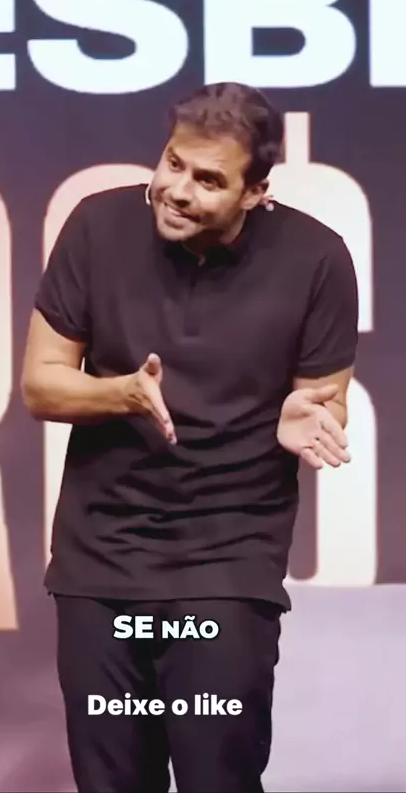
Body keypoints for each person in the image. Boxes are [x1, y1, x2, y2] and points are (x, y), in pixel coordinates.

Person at [21, 82, 358, 793]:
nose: (177, 190)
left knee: (217, 777)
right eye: (173, 163)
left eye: (208, 180)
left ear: (255, 193)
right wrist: (121, 393)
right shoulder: (96, 226)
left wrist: (300, 419)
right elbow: (41, 384)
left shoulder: (318, 260)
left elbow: (326, 405)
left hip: (226, 567)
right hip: (100, 564)